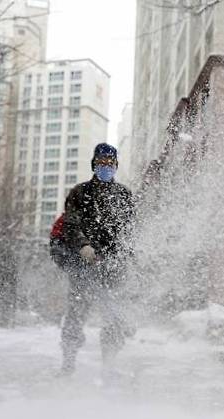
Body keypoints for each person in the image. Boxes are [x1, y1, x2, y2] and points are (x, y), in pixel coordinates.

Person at [60, 143, 136, 375]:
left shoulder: (124, 195)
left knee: (113, 318)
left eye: (110, 163)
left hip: (114, 267)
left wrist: (126, 256)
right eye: (101, 162)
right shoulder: (79, 192)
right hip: (84, 264)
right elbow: (70, 224)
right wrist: (84, 245)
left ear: (115, 165)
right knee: (76, 313)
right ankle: (68, 363)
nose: (106, 166)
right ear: (94, 164)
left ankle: (109, 365)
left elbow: (130, 231)